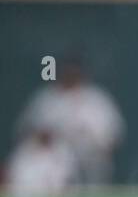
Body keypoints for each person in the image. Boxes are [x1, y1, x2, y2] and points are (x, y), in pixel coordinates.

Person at [15, 57, 124, 186]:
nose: (71, 76)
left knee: (95, 167)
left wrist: (89, 140)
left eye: (74, 72)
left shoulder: (96, 100)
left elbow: (113, 136)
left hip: (90, 161)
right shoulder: (47, 99)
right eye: (67, 72)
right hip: (55, 160)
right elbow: (26, 132)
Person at [5, 128, 78, 197]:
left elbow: (63, 182)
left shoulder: (61, 153)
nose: (44, 138)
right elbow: (15, 180)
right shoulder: (23, 154)